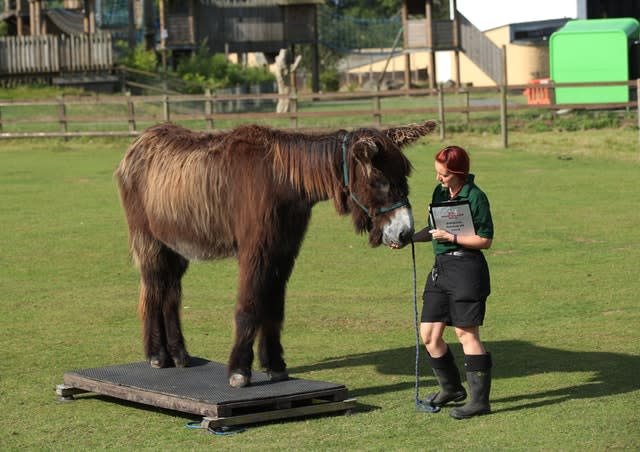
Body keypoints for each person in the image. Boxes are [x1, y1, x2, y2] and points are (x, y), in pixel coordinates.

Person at [393, 145, 494, 419]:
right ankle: (451, 389)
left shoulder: (476, 197)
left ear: (459, 173)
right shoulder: (439, 193)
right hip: (441, 270)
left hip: (467, 270)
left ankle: (479, 402)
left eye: (445, 175)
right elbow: (433, 228)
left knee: (466, 334)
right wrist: (409, 239)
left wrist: (453, 238)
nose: (439, 179)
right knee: (429, 335)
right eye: (438, 173)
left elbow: (485, 239)